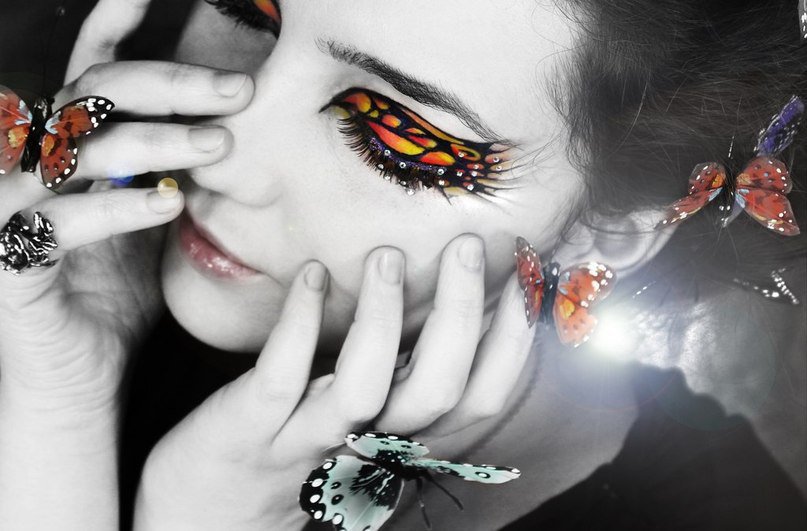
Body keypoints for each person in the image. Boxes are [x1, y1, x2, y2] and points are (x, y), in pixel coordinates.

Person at [0, 0, 805, 530]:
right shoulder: (70, 284)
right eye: (246, 11)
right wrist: (60, 396)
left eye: (396, 136)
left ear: (608, 230)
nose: (226, 160)